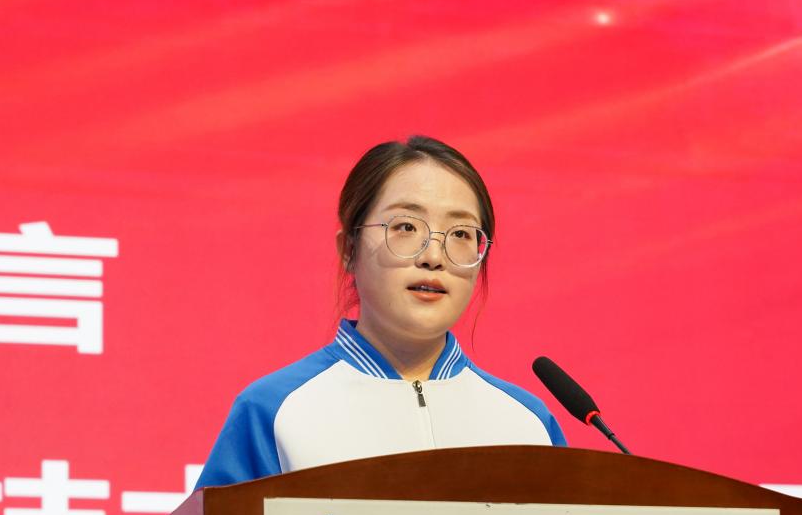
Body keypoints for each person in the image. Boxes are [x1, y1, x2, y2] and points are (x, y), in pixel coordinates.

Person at [194, 135, 565, 488]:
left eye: (461, 234)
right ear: (349, 249)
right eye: (405, 226)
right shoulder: (273, 411)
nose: (434, 257)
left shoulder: (528, 425)